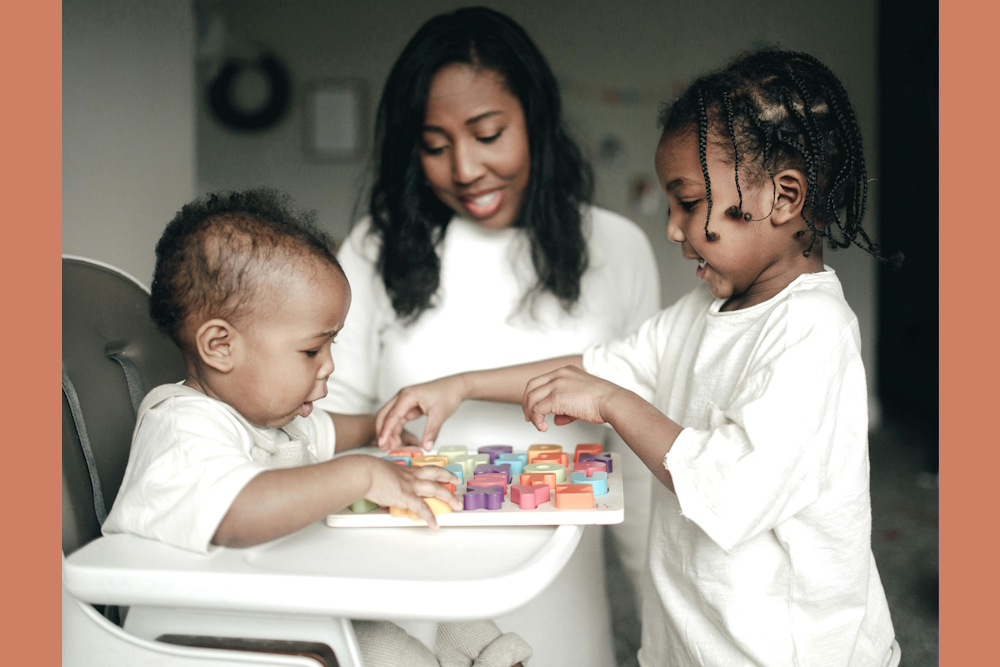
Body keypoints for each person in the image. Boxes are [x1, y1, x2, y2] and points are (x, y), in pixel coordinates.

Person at [375, 50, 903, 666]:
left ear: (783, 197)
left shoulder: (813, 331)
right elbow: (595, 368)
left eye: (688, 202)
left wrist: (611, 404)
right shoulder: (701, 315)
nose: (674, 229)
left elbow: (729, 489)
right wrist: (460, 385)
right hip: (698, 642)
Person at [314, 8, 660, 665]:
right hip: (410, 600)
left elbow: (640, 462)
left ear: (535, 118)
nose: (466, 168)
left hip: (563, 601)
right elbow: (328, 427)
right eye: (436, 145)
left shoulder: (619, 247)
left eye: (489, 133)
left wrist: (659, 622)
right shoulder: (375, 249)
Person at [102, 188, 531, 667]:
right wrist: (362, 475)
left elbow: (330, 432)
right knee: (396, 655)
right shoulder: (180, 429)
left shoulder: (274, 420)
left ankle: (493, 657)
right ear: (220, 345)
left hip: (288, 604)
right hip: (214, 635)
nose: (329, 367)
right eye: (312, 350)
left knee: (451, 594)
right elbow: (239, 510)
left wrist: (377, 425)